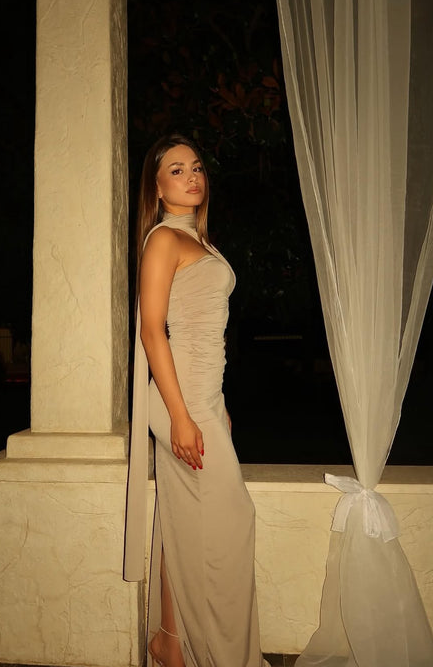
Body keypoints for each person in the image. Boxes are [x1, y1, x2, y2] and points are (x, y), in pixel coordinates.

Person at [124, 134, 268, 667]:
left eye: (197, 167)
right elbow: (153, 332)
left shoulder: (199, 241)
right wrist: (182, 416)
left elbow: (208, 332)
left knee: (182, 520)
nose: (192, 177)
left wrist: (216, 401)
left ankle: (169, 642)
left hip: (203, 395)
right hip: (178, 400)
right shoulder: (163, 238)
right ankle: (224, 655)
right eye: (177, 170)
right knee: (233, 522)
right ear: (157, 188)